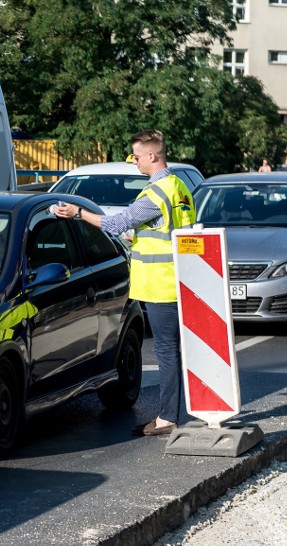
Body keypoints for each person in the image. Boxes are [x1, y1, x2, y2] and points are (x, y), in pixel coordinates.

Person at [53, 129, 195, 436]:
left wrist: (79, 212)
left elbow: (116, 223)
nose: (134, 162)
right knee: (174, 351)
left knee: (167, 352)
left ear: (153, 156)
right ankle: (172, 412)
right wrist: (139, 236)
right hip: (177, 280)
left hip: (161, 284)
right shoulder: (179, 187)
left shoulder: (156, 194)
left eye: (137, 156)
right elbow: (168, 233)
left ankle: (168, 417)